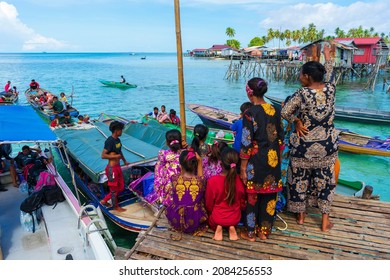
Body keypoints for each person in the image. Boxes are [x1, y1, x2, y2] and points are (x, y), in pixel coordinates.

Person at [281, 42, 338, 232]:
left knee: (299, 180)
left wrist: (296, 121)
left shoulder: (302, 93)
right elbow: (328, 73)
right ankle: (324, 222)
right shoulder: (331, 89)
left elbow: (285, 112)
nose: (299, 78)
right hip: (326, 146)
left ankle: (301, 216)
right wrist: (327, 56)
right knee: (324, 181)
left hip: (303, 147)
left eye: (301, 75)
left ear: (306, 77)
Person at [239, 77, 284, 241]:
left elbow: (246, 142)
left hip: (255, 161)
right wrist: (277, 162)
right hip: (273, 161)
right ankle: (264, 231)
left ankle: (250, 232)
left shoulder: (250, 113)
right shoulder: (275, 110)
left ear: (249, 93)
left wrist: (243, 167)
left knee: (253, 197)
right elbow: (280, 139)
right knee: (270, 198)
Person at [205, 147, 246, 241]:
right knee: (231, 219)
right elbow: (242, 203)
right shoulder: (240, 181)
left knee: (214, 219)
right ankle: (231, 227)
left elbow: (209, 204)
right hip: (235, 218)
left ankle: (218, 227)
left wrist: (212, 215)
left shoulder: (213, 181)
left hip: (216, 218)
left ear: (220, 163)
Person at [165, 149, 208, 237]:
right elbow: (200, 177)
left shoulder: (174, 178)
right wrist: (200, 162)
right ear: (195, 164)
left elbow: (181, 175)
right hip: (194, 221)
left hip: (175, 218)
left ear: (181, 166)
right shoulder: (201, 181)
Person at [100, 121, 129, 212]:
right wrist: (115, 156)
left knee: (120, 187)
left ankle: (105, 200)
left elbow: (119, 151)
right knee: (113, 189)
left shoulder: (118, 140)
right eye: (121, 130)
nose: (122, 132)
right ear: (116, 131)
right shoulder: (109, 141)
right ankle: (115, 206)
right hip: (112, 169)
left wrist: (124, 161)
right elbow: (103, 155)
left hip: (118, 167)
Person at [154, 129, 183, 206]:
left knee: (158, 165)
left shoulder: (163, 153)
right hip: (182, 184)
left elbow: (159, 170)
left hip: (168, 185)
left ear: (167, 142)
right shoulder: (185, 153)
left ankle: (161, 196)